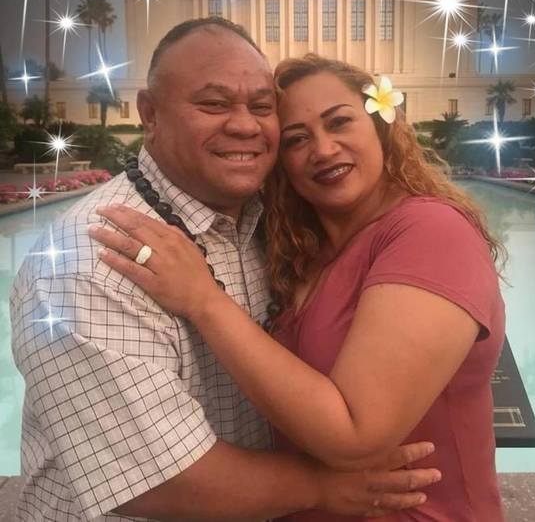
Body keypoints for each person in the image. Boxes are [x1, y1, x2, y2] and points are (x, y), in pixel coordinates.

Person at [10, 18, 441, 522]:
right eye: (214, 104)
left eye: (261, 107)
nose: (244, 126)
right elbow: (159, 479)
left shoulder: (271, 223)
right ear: (150, 113)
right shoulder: (92, 261)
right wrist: (323, 486)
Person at [90, 53, 507, 521]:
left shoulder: (431, 233)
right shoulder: (308, 251)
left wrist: (204, 300)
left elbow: (357, 434)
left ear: (381, 126)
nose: (323, 150)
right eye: (296, 139)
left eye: (339, 122)